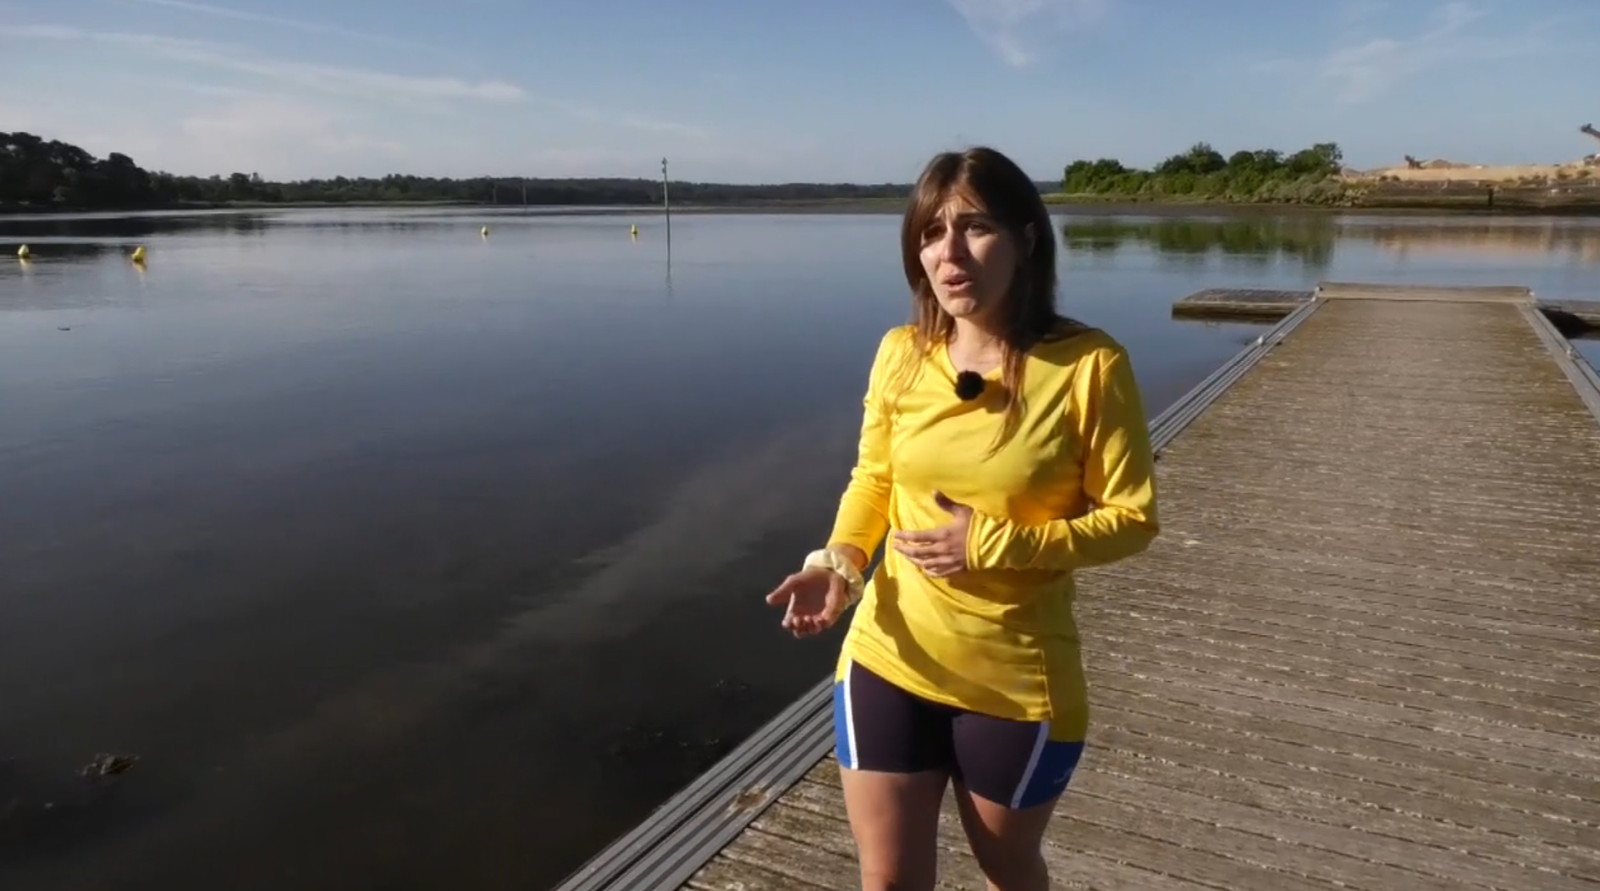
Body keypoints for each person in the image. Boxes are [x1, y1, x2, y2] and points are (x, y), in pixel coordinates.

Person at [765, 146, 1160, 891]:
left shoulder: (1090, 367)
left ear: (1026, 238)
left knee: (1007, 866)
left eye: (974, 228)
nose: (948, 254)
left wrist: (991, 541)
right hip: (890, 653)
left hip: (1013, 678)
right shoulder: (901, 354)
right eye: (929, 233)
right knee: (887, 880)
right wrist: (841, 563)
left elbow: (1132, 519)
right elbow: (874, 479)